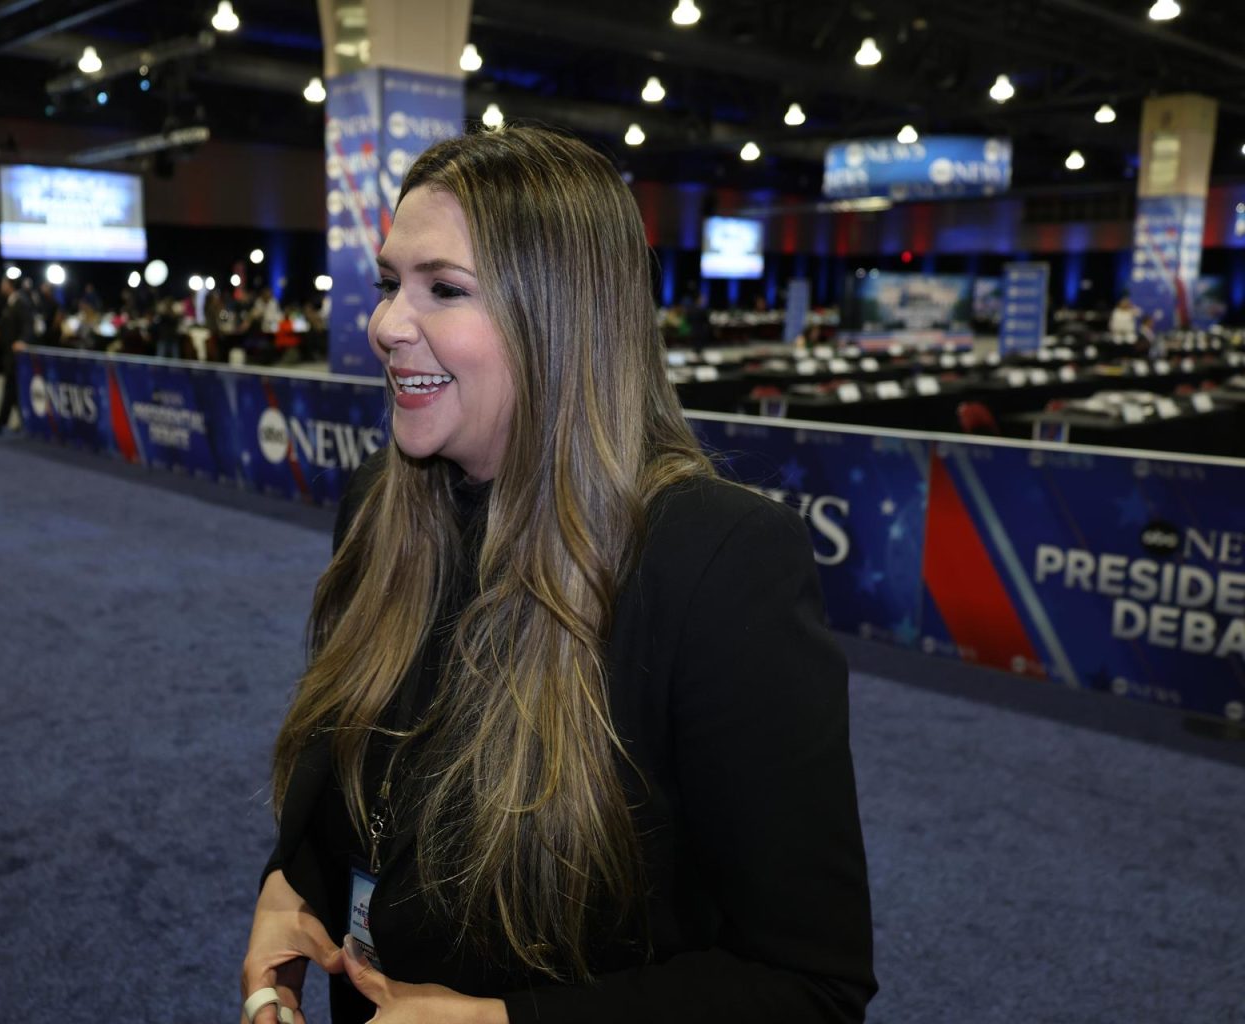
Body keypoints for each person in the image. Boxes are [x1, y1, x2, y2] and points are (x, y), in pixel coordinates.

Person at [239, 126, 875, 1024]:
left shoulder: (719, 563)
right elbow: (366, 789)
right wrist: (290, 886)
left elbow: (809, 987)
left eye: (444, 290)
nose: (383, 325)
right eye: (388, 285)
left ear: (561, 315)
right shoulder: (380, 507)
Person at [0, 278, 34, 436]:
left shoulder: (21, 302)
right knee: (12, 390)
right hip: (8, 352)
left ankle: (1, 423)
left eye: (4, 284)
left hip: (16, 354)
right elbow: (8, 324)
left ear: (10, 286)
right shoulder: (9, 303)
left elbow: (28, 324)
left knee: (11, 389)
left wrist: (22, 341)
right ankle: (21, 422)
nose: (1, 287)